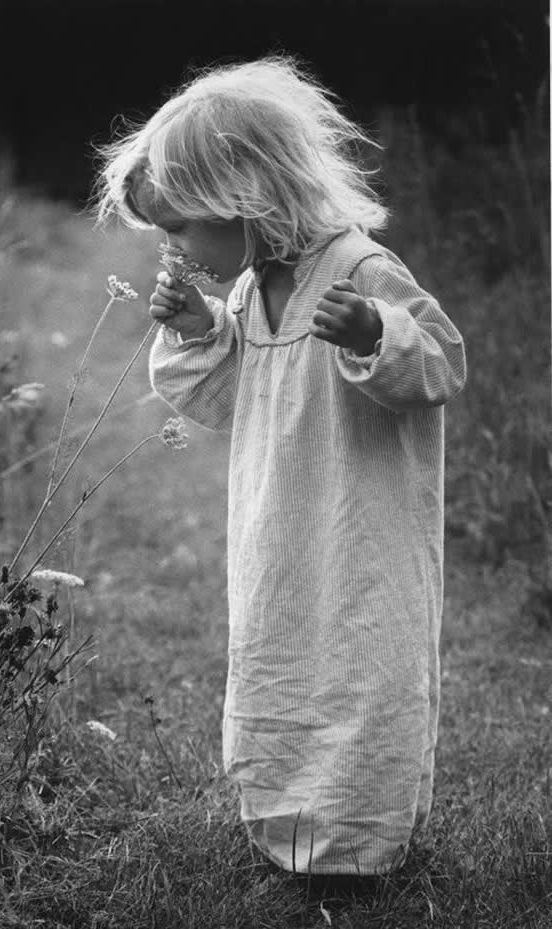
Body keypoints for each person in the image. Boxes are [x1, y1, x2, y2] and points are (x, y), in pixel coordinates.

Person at [94, 55, 467, 880]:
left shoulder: (362, 271)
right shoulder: (250, 287)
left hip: (361, 533)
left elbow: (440, 362)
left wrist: (376, 332)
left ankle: (363, 846)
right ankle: (282, 826)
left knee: (362, 671)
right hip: (278, 529)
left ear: (246, 197)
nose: (173, 247)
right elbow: (233, 398)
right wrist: (199, 329)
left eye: (180, 226)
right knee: (280, 659)